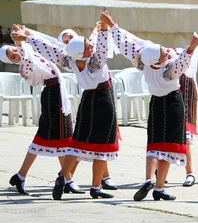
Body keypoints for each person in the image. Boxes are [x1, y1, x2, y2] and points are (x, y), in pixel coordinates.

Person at [106, 13, 198, 201]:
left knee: (154, 145)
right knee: (168, 148)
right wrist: (192, 46)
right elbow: (184, 62)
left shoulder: (145, 66)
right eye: (163, 53)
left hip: (157, 105)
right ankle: (159, 187)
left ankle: (149, 179)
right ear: (158, 60)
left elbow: (127, 46)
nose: (166, 51)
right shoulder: (169, 71)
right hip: (174, 104)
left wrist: (112, 26)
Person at [24, 14, 119, 200]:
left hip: (87, 102)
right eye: (87, 45)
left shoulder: (71, 61)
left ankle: (63, 177)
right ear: (83, 51)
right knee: (103, 147)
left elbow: (51, 49)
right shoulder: (95, 62)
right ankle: (96, 186)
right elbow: (101, 47)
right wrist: (106, 29)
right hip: (103, 102)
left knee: (77, 144)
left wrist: (28, 38)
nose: (90, 45)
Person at [1, 40, 80, 195]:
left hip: (56, 95)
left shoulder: (32, 54)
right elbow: (28, 58)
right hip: (53, 97)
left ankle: (66, 179)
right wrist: (21, 42)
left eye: (13, 51)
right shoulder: (25, 67)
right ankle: (64, 179)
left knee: (61, 139)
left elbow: (36, 48)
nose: (16, 55)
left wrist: (22, 40)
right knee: (59, 139)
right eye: (12, 57)